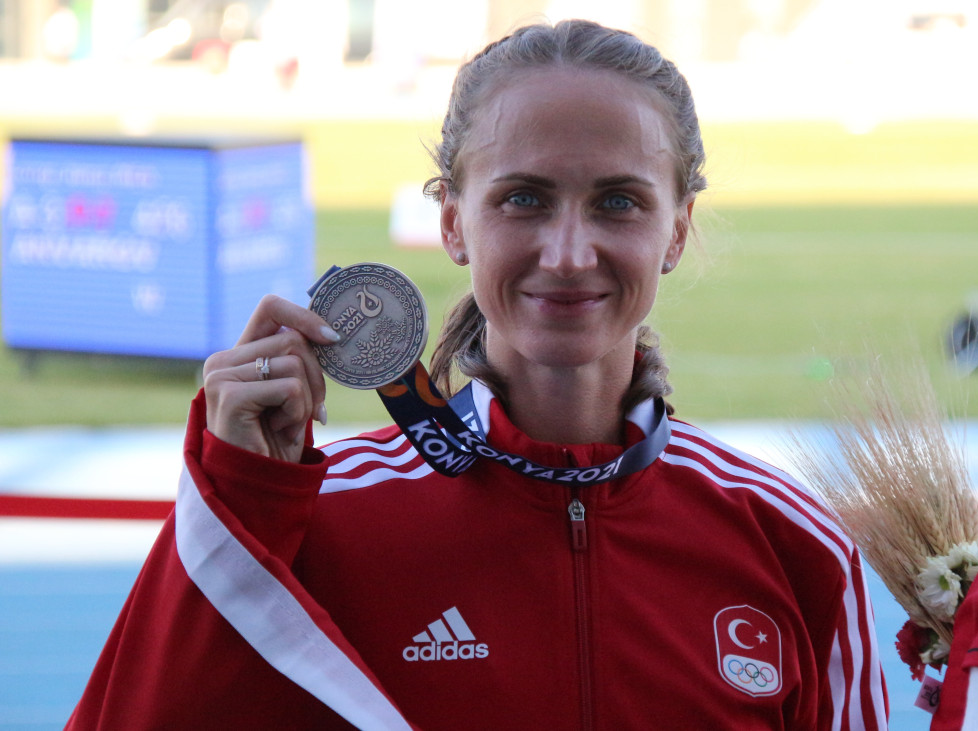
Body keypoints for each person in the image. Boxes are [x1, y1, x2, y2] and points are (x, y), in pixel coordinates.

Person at [67, 19, 888, 730]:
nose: (569, 254)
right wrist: (239, 497)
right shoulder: (314, 515)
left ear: (677, 231)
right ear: (454, 223)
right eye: (524, 200)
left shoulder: (795, 545)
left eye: (619, 203)